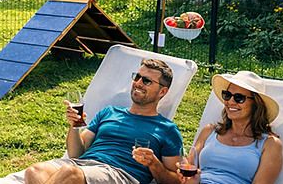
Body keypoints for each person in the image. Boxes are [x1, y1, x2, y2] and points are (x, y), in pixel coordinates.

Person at [20, 58, 183, 184]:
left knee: (69, 174)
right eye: (137, 77)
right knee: (35, 171)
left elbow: (176, 180)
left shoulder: (166, 129)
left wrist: (154, 163)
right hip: (84, 165)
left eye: (146, 81)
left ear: (162, 91)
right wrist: (75, 126)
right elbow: (76, 153)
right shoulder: (109, 112)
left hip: (120, 174)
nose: (138, 83)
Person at [178, 71, 282, 184]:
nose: (230, 102)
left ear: (256, 104)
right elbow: (190, 168)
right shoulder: (210, 131)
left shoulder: (270, 144)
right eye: (227, 95)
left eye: (239, 98)